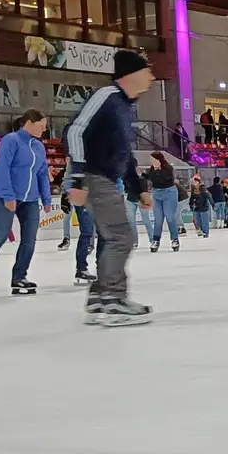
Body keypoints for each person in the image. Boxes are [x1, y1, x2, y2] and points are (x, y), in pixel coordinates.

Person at [65, 51, 156, 327]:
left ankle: (99, 298)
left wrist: (137, 188)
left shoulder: (125, 106)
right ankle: (112, 300)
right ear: (131, 74)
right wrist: (77, 178)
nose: (151, 77)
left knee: (113, 237)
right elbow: (74, 132)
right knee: (121, 237)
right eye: (147, 71)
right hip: (93, 176)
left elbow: (123, 154)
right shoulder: (106, 96)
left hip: (104, 177)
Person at [0, 109, 52, 294]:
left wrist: (46, 198)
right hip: (7, 197)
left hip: (30, 200)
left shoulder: (39, 147)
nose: (44, 129)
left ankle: (19, 277)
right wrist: (8, 196)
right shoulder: (11, 140)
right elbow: (3, 168)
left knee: (29, 240)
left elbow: (42, 174)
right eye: (41, 125)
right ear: (29, 122)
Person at [144, 151, 181, 252]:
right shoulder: (152, 169)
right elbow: (152, 180)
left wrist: (158, 170)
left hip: (169, 192)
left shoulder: (168, 168)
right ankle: (156, 240)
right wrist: (143, 174)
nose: (151, 161)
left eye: (153, 159)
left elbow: (165, 179)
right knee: (158, 219)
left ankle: (174, 239)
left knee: (170, 217)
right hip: (157, 193)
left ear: (159, 159)